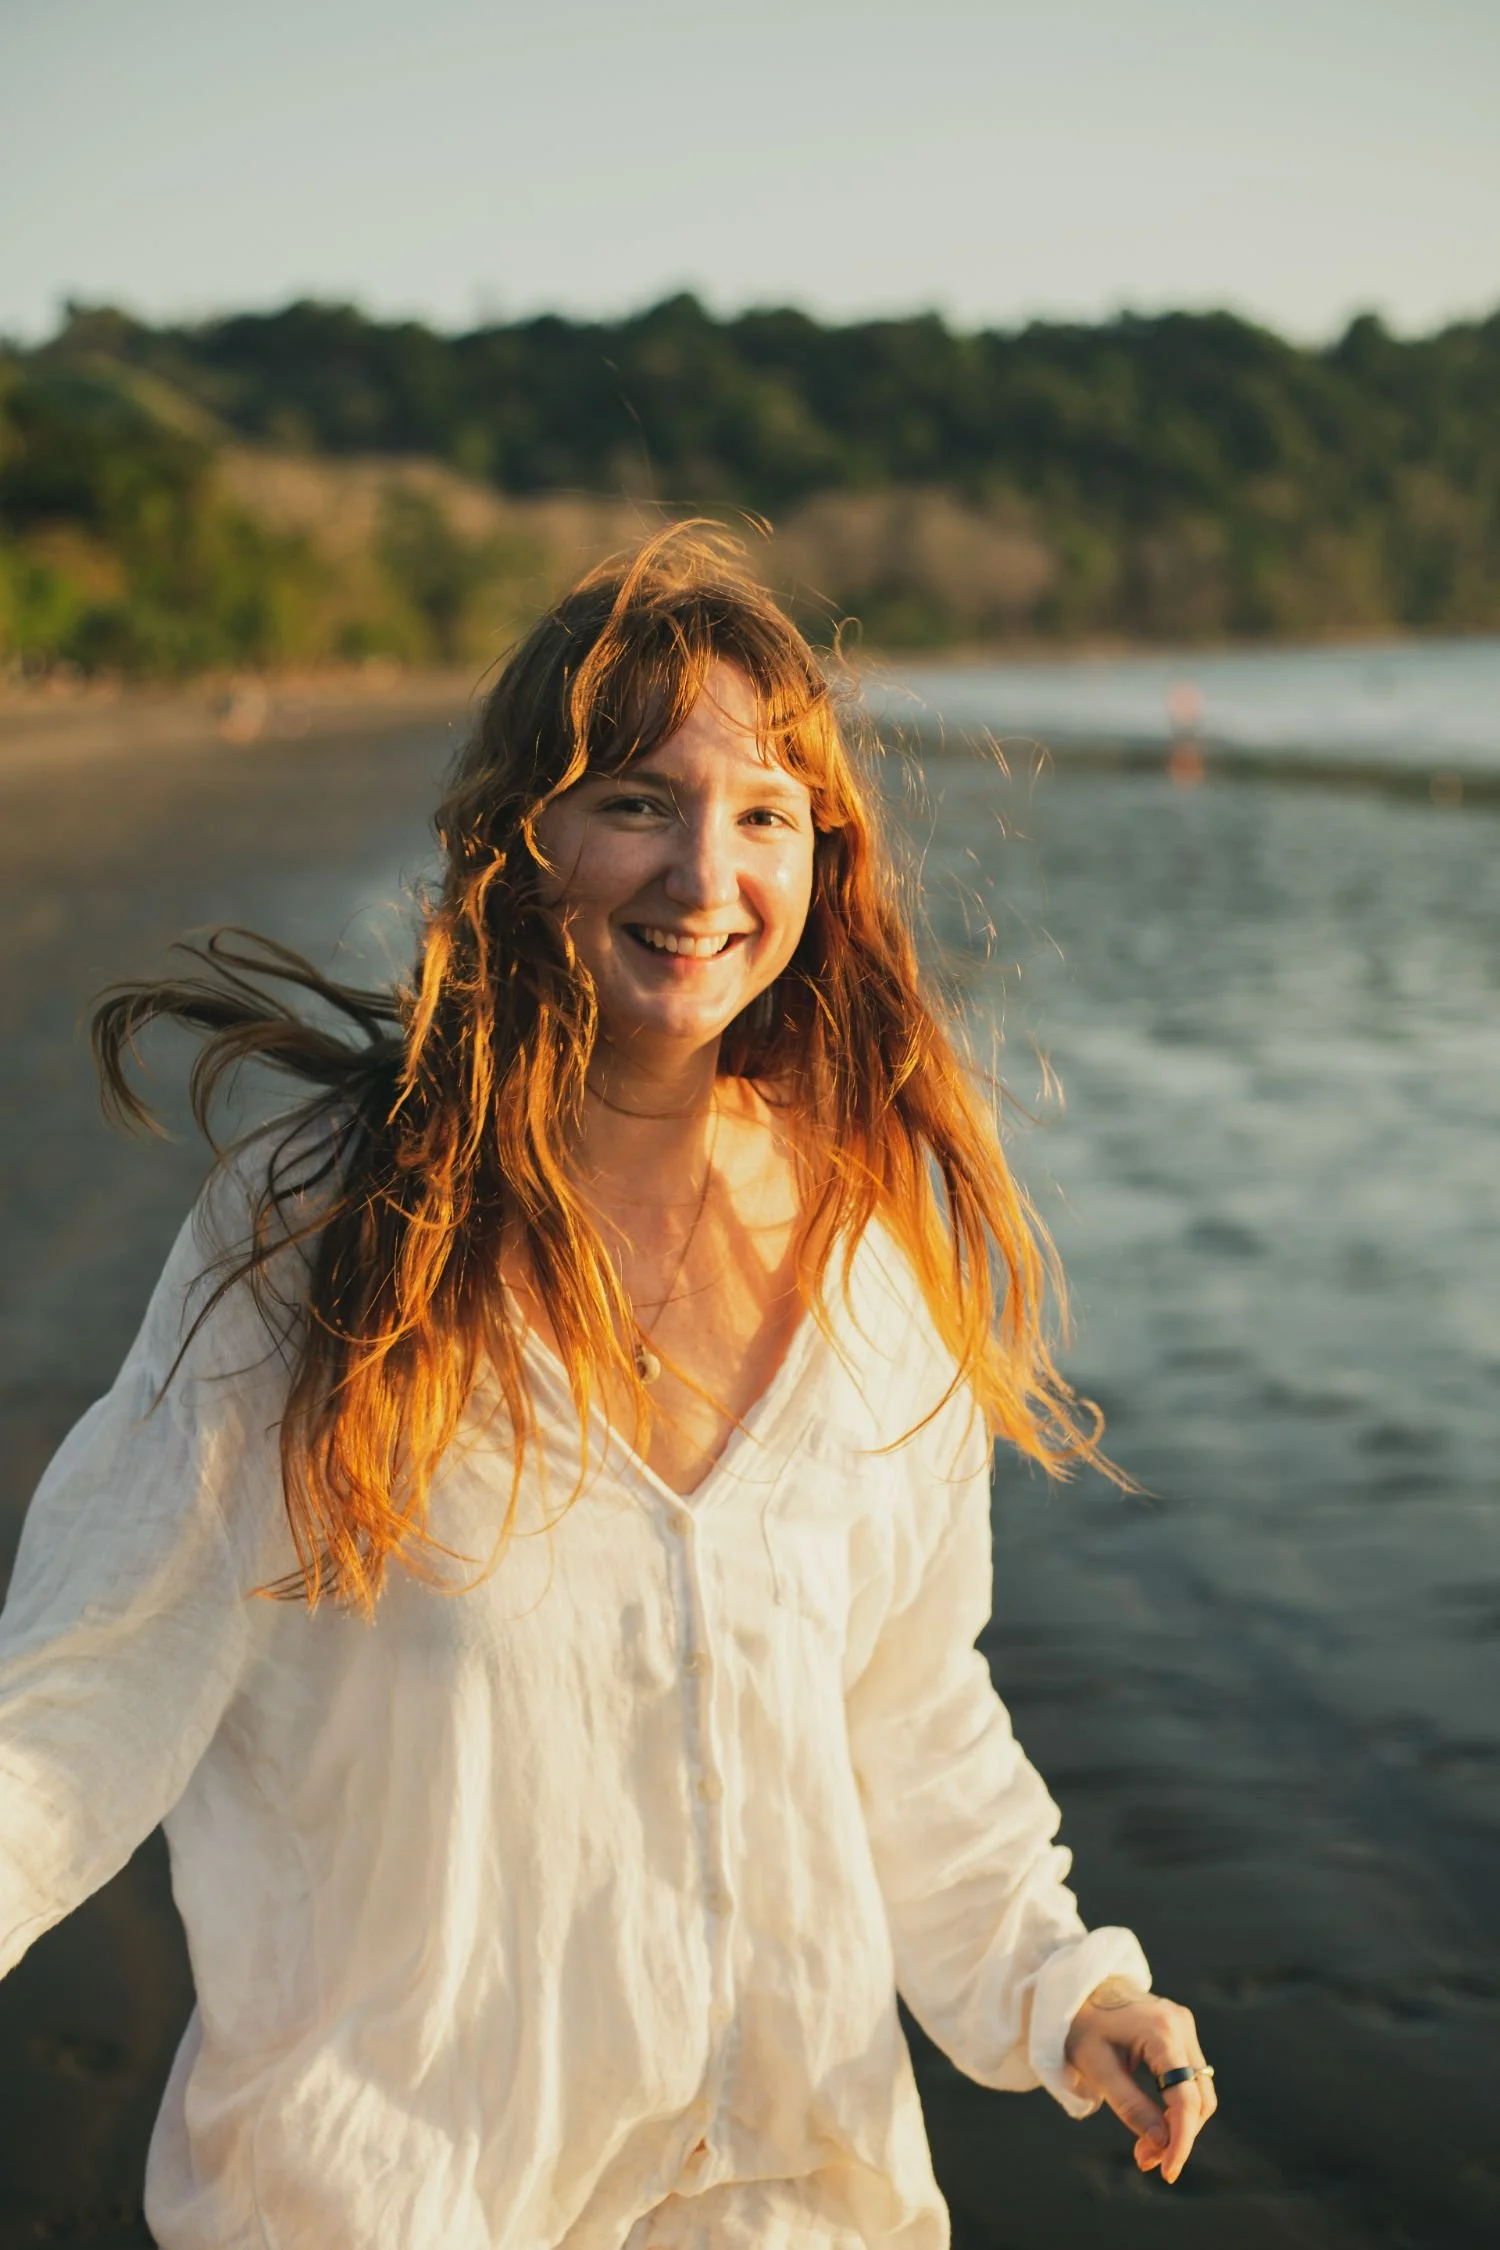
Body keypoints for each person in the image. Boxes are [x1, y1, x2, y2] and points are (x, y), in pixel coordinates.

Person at [0, 530, 1215, 2249]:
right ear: (526, 836)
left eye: (767, 815)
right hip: (397, 2200)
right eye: (639, 798)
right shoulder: (320, 1241)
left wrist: (1060, 1986)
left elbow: (905, 1710)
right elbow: (77, 1692)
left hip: (801, 2201)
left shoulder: (874, 1252)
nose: (704, 871)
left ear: (823, 863)